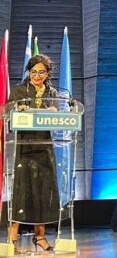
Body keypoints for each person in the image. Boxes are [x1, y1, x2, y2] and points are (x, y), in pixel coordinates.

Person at [8, 54, 61, 252]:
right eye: (33, 72)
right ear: (28, 72)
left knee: (43, 192)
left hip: (44, 147)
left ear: (48, 74)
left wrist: (54, 112)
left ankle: (40, 237)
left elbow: (58, 117)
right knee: (21, 192)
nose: (37, 76)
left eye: (41, 72)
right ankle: (12, 238)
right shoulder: (19, 91)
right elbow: (7, 115)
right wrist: (17, 110)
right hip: (24, 147)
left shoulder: (52, 93)